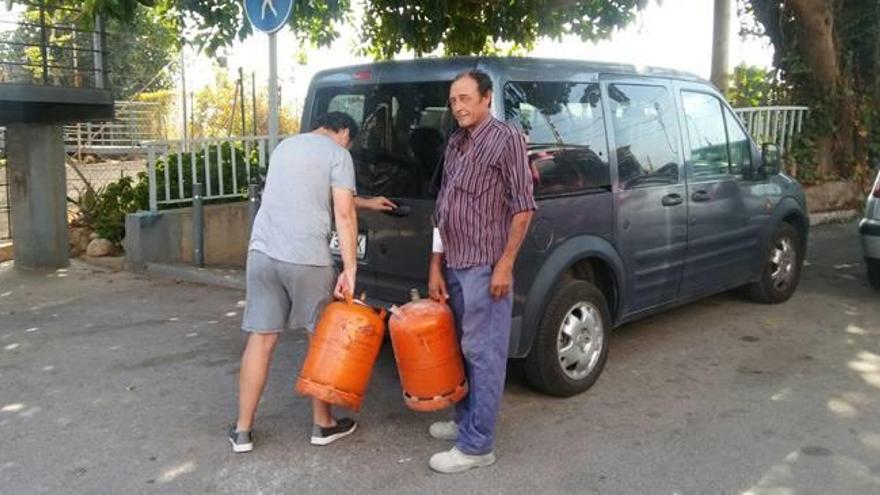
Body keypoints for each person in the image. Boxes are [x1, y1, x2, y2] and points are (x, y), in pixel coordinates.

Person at [228, 111, 395, 453]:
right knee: (320, 339)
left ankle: (242, 431)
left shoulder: (285, 148)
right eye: (350, 139)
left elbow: (309, 194)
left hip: (262, 254)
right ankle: (324, 423)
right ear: (344, 131)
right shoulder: (338, 154)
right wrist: (350, 269)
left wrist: (367, 202)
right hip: (306, 258)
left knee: (260, 340)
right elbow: (343, 212)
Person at [426, 70, 536, 473]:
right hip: (454, 264)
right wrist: (435, 265)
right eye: (453, 100)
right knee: (459, 349)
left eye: (465, 98)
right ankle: (465, 422)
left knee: (484, 353)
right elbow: (443, 208)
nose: (458, 106)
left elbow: (524, 206)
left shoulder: (505, 139)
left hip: (486, 267)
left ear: (487, 98)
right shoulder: (456, 142)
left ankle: (478, 446)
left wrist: (505, 265)